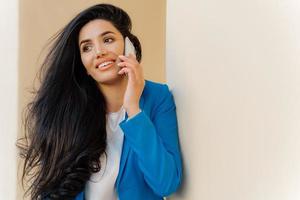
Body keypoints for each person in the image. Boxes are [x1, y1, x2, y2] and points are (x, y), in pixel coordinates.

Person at [18, 3, 182, 200]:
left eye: (108, 39)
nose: (99, 52)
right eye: (87, 47)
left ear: (128, 46)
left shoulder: (157, 98)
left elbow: (166, 183)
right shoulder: (70, 112)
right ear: (83, 65)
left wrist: (133, 109)